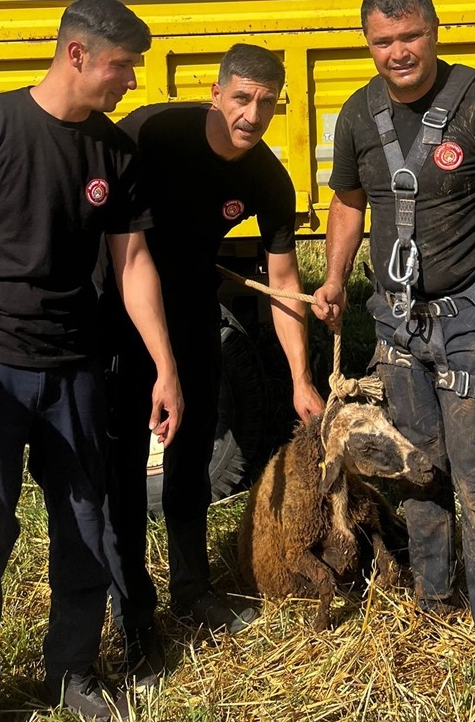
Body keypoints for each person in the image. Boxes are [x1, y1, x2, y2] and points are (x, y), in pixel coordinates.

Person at [0, 0, 183, 722]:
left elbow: (132, 263)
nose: (130, 81)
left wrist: (164, 364)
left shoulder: (114, 152)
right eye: (122, 67)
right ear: (77, 55)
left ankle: (72, 671)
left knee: (83, 526)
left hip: (75, 369)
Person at [311, 0, 475, 679]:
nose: (399, 52)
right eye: (383, 41)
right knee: (419, 473)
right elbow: (347, 203)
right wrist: (335, 277)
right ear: (369, 44)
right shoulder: (358, 115)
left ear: (434, 30)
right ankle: (434, 599)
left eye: (410, 36)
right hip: (399, 325)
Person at [103, 43, 324, 685]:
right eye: (242, 97)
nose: (252, 114)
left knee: (191, 459)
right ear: (217, 93)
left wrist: (301, 380)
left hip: (194, 318)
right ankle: (133, 620)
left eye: (266, 102)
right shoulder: (151, 131)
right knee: (121, 470)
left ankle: (192, 593)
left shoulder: (265, 177)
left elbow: (284, 284)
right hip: (119, 319)